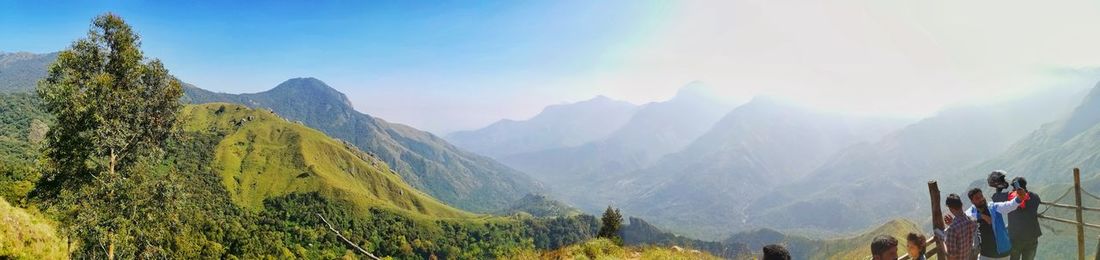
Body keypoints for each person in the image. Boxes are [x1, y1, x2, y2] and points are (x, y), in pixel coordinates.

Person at [967, 186, 1023, 260]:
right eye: (977, 198)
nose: (981, 199)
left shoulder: (994, 207)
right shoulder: (972, 211)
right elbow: (966, 216)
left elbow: (1009, 205)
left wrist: (1019, 198)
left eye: (981, 196)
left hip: (1002, 253)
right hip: (985, 254)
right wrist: (981, 216)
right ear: (972, 201)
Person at [1007, 177, 1041, 260]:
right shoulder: (1034, 197)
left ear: (1016, 188)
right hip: (1032, 236)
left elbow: (996, 198)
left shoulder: (1012, 200)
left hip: (1016, 238)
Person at [937, 193, 978, 260]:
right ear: (961, 204)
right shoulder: (972, 221)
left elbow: (951, 257)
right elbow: (963, 231)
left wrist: (942, 241)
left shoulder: (952, 229)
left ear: (950, 208)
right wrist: (952, 223)